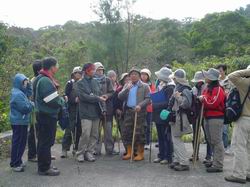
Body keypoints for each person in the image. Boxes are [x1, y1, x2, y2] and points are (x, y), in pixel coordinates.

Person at [34, 57, 65, 176]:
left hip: (46, 115)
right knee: (45, 142)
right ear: (52, 67)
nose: (57, 67)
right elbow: (51, 100)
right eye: (56, 65)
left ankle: (45, 165)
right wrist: (62, 101)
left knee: (45, 141)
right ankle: (44, 168)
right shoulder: (45, 81)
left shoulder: (44, 79)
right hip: (46, 116)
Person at [76, 63, 106, 162]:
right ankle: (80, 153)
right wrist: (97, 98)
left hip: (96, 113)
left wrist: (104, 108)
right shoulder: (80, 83)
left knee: (94, 134)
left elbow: (101, 96)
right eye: (91, 69)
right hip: (85, 113)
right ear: (85, 71)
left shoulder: (96, 82)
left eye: (94, 69)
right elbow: (84, 97)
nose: (93, 71)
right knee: (85, 133)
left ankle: (89, 152)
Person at [118, 68, 150, 161]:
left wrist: (140, 105)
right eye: (131, 74)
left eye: (135, 74)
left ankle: (140, 153)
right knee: (127, 132)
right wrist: (126, 89)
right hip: (128, 111)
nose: (133, 76)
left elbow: (148, 99)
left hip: (140, 112)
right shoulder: (127, 85)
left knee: (139, 133)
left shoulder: (145, 86)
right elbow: (120, 96)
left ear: (139, 76)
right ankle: (129, 152)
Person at [225, 68, 250, 184]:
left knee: (240, 147)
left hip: (244, 119)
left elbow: (231, 76)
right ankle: (248, 173)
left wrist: (247, 72)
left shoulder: (244, 83)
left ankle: (239, 174)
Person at [199, 68, 226, 173]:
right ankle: (215, 161)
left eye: (207, 76)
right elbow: (207, 99)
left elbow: (212, 103)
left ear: (211, 78)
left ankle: (218, 164)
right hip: (208, 117)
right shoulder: (208, 87)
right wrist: (204, 98)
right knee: (211, 140)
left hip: (216, 117)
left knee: (217, 141)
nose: (205, 77)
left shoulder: (219, 89)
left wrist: (203, 99)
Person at [168, 69, 193, 171]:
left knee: (177, 139)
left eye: (174, 78)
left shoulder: (185, 89)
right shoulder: (179, 87)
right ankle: (178, 160)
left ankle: (184, 162)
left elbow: (186, 104)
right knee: (175, 139)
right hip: (176, 116)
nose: (173, 79)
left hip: (180, 117)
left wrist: (178, 97)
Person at [10, 73, 33, 172]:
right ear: (19, 83)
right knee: (18, 143)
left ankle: (18, 161)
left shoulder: (20, 92)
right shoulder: (17, 94)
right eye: (23, 82)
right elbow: (25, 108)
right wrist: (32, 104)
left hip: (21, 121)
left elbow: (29, 93)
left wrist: (29, 84)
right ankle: (15, 163)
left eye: (25, 82)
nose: (25, 84)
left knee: (21, 142)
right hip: (19, 121)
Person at [152, 67, 175, 165]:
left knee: (166, 136)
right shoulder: (161, 85)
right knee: (160, 136)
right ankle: (161, 155)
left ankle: (167, 156)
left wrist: (155, 105)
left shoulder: (170, 87)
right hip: (158, 114)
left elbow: (168, 103)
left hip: (165, 114)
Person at [94, 62, 117, 156]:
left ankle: (110, 149)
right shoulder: (92, 80)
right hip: (96, 109)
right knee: (96, 132)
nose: (100, 71)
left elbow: (112, 92)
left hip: (108, 109)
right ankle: (96, 150)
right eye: (98, 69)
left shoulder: (107, 80)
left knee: (108, 131)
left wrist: (106, 96)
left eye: (101, 69)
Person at [190, 71, 212, 164]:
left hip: (205, 114)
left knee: (208, 136)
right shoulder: (194, 89)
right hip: (196, 114)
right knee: (195, 135)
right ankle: (195, 153)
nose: (198, 83)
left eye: (199, 81)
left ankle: (208, 156)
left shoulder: (207, 88)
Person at [61, 67, 83, 158]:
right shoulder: (70, 83)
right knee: (69, 130)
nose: (78, 74)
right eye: (76, 73)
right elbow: (65, 96)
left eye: (80, 73)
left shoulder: (83, 83)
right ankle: (65, 149)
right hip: (71, 109)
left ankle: (76, 148)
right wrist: (74, 100)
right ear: (73, 74)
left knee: (79, 130)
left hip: (80, 109)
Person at [28, 60, 42, 162]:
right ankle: (32, 155)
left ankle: (42, 154)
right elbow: (31, 97)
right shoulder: (33, 81)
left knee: (41, 133)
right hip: (35, 111)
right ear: (38, 70)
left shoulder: (40, 79)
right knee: (33, 132)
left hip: (40, 111)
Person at [216, 64, 232, 154]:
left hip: (226, 106)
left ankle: (225, 147)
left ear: (225, 71)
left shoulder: (229, 81)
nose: (219, 73)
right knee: (218, 130)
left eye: (221, 71)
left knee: (225, 130)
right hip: (218, 107)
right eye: (218, 71)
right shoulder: (216, 81)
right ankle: (220, 147)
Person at [113, 73, 130, 153]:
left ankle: (134, 149)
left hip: (131, 113)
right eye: (125, 79)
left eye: (128, 79)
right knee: (123, 132)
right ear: (122, 81)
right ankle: (127, 149)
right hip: (121, 114)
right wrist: (117, 109)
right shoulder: (118, 90)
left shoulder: (135, 88)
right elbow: (115, 102)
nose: (127, 81)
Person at [140, 68, 156, 150]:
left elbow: (152, 95)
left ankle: (147, 142)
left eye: (145, 74)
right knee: (141, 126)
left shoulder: (151, 85)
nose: (143, 76)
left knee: (148, 126)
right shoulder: (138, 84)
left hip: (149, 108)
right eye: (142, 74)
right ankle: (141, 141)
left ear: (148, 76)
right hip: (140, 108)